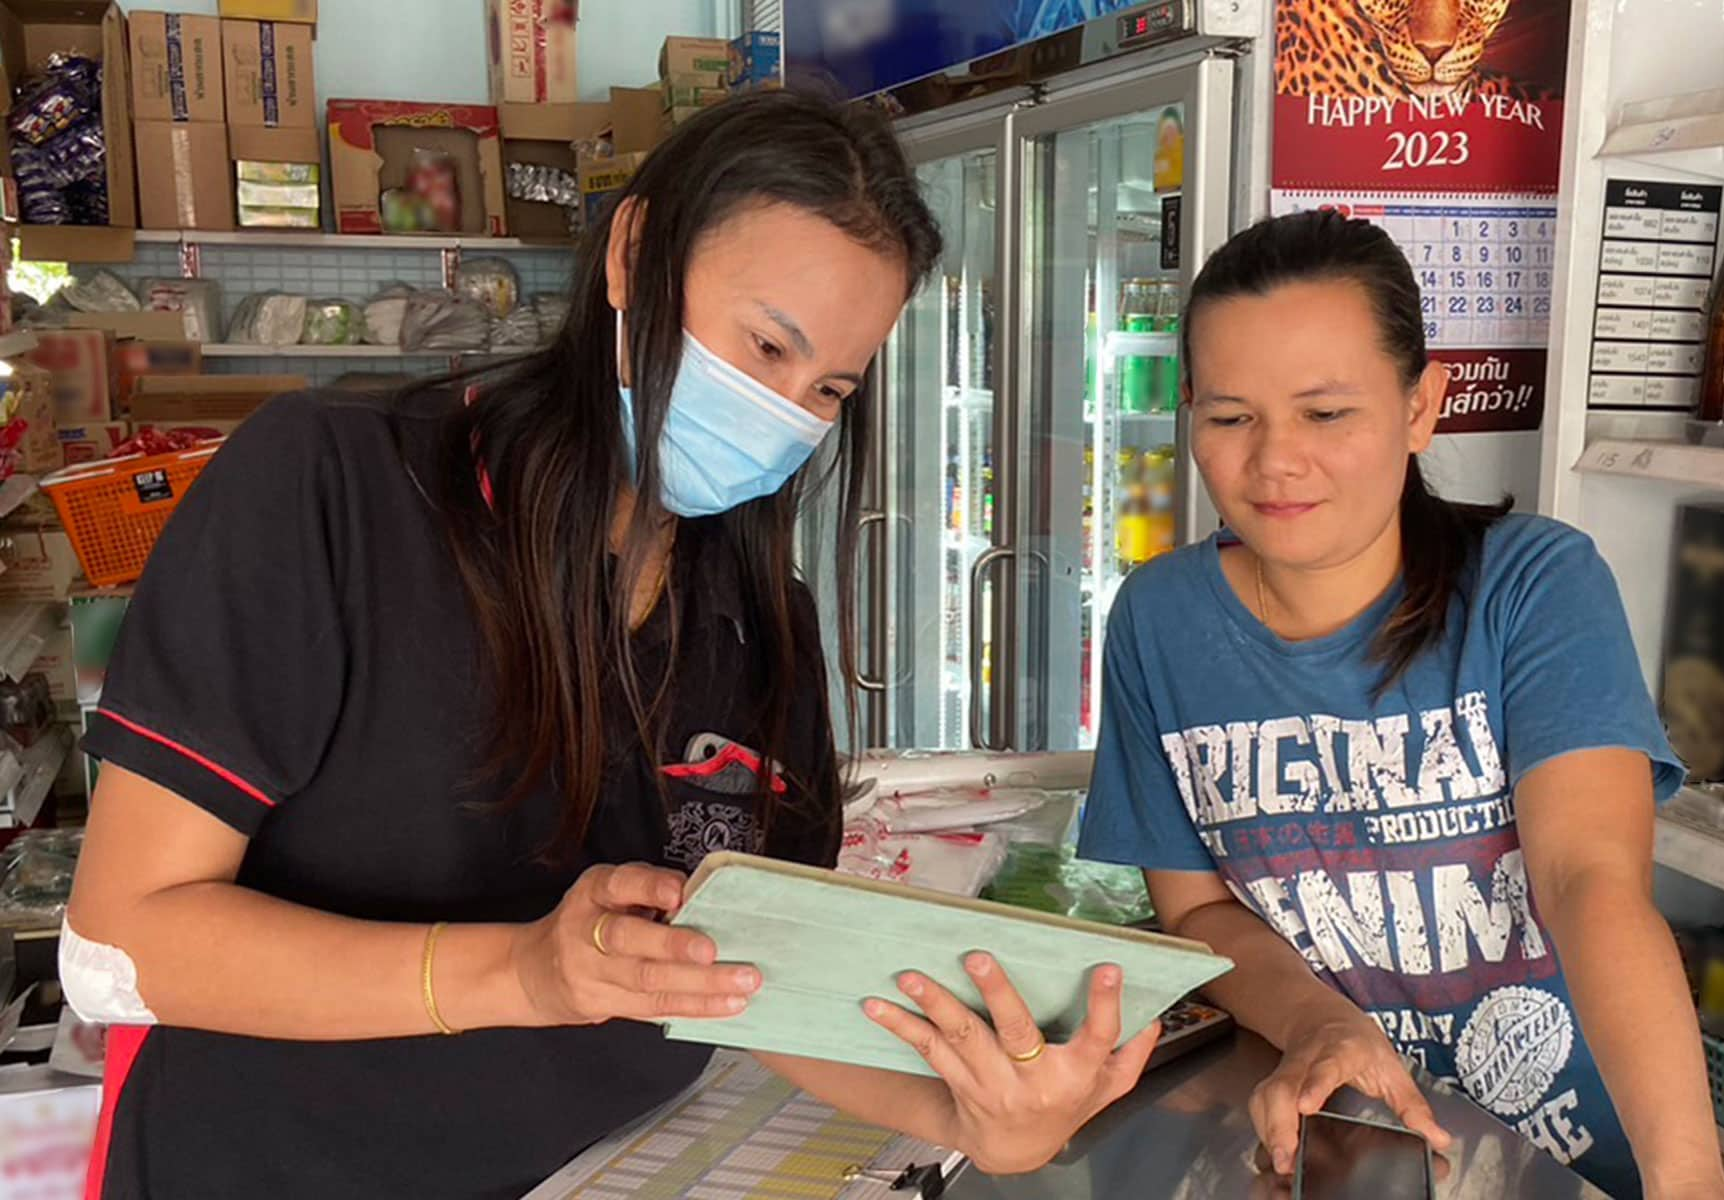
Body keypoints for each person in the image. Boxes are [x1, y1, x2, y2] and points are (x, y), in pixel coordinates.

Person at [62, 91, 1159, 1199]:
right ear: (635, 255)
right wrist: (526, 974)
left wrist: (980, 1118)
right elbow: (123, 946)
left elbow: (745, 970)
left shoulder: (756, 621)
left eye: (827, 386)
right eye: (765, 344)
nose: (784, 412)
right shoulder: (334, 492)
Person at [1079, 210, 1724, 1200]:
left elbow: (1589, 879)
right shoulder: (1157, 621)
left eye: (1325, 413)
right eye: (1229, 416)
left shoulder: (1531, 586)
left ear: (1421, 406)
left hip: (1563, 1161)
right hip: (1320, 1147)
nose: (1274, 460)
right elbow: (1197, 909)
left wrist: (1687, 1182)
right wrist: (1318, 1024)